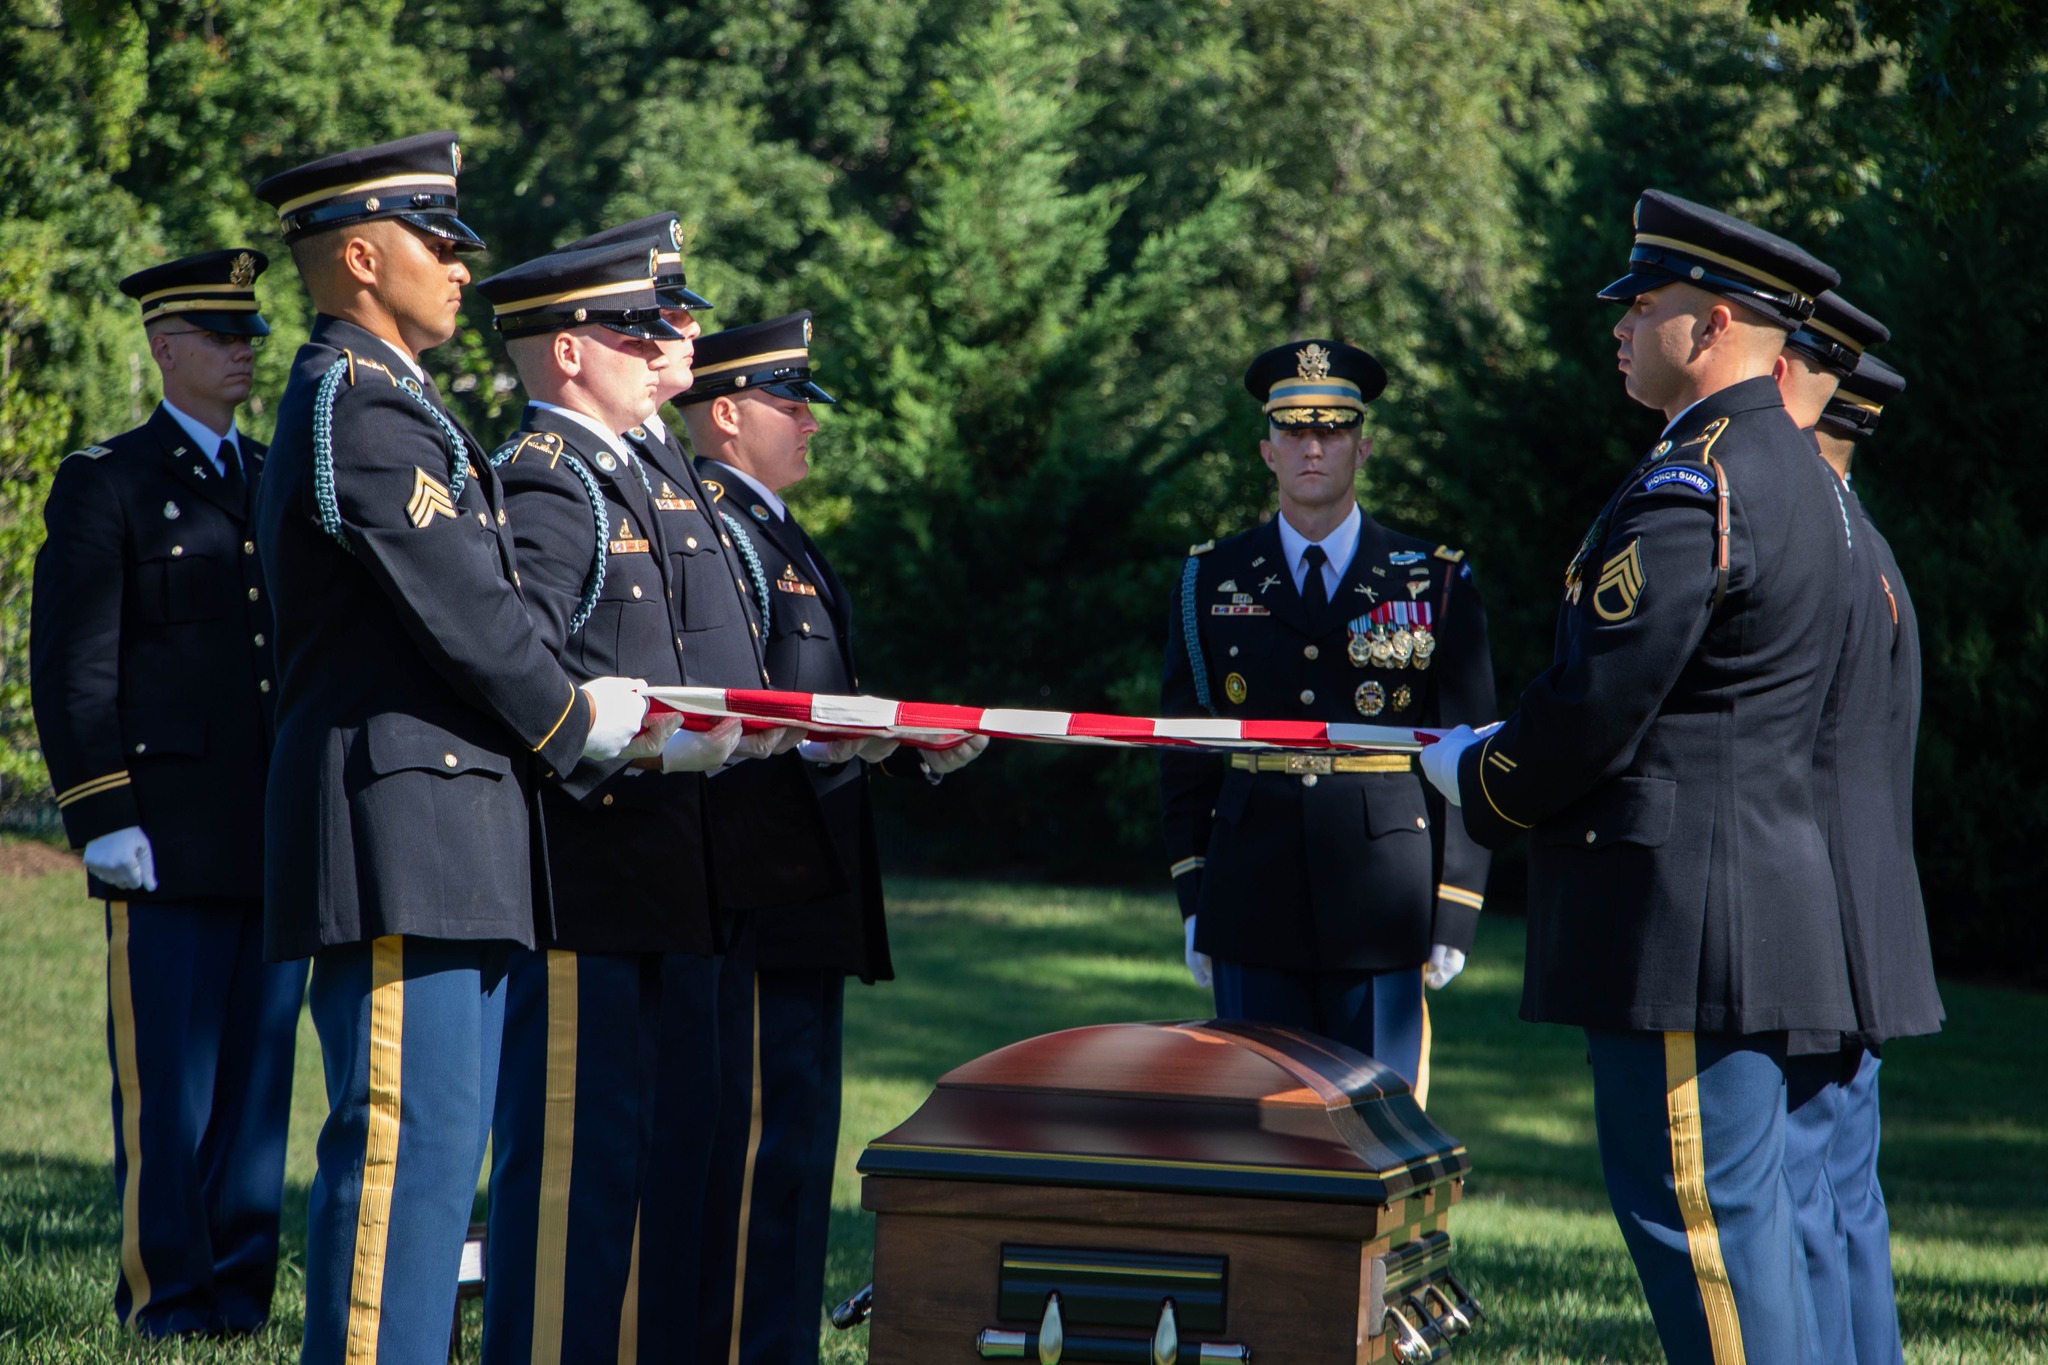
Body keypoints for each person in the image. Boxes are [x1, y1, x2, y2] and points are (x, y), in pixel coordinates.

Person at [1421, 188, 1851, 1364]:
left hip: (1684, 925)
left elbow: (1602, 697)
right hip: (1741, 908)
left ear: (1709, 324)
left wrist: (1480, 777)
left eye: (1640, 304)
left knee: (1701, 1233)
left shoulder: (1695, 479)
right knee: (1748, 1231)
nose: (1617, 325)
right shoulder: (1793, 472)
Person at [251, 133, 648, 1365]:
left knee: (438, 1152)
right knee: (402, 1154)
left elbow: (486, 606)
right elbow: (468, 613)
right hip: (398, 822)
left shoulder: (402, 402)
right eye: (439, 242)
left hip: (453, 823)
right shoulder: (352, 400)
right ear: (361, 258)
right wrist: (582, 725)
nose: (462, 267)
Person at [472, 236, 798, 1364]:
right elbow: (529, 673)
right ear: (567, 351)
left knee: (665, 1161)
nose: (659, 344)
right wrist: (661, 745)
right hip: (591, 883)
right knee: (581, 1166)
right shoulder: (545, 479)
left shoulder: (632, 474)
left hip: (671, 878)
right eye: (631, 330)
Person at [677, 311, 987, 1365]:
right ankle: (744, 1345)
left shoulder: (772, 528)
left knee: (795, 1146)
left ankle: (773, 1342)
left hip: (806, 886)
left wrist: (904, 748)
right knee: (758, 1144)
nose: (810, 421)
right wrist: (859, 740)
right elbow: (753, 714)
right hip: (760, 881)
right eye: (787, 402)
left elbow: (820, 704)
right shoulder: (713, 526)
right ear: (725, 413)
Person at [28, 248, 307, 1337]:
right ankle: (167, 1297)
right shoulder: (110, 479)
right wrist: (101, 813)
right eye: (222, 336)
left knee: (255, 1084)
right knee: (169, 1089)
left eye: (251, 336)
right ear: (165, 346)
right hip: (164, 830)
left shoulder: (275, 474)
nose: (243, 353)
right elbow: (75, 664)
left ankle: (240, 1290)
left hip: (267, 829)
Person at [1157, 338, 1496, 1101]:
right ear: (1267, 450)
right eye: (1294, 430)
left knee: (1378, 1120)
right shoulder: (1211, 576)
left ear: (1363, 447)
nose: (1314, 446)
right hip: (1249, 888)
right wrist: (1194, 893)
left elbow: (1471, 752)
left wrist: (1457, 905)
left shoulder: (1434, 578)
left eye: (1333, 429)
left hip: (1383, 892)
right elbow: (1185, 749)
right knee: (1258, 1120)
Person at [1784, 347, 1939, 1365]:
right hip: (1866, 924)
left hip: (1815, 926)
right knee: (1843, 1197)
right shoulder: (1871, 557)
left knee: (1801, 1199)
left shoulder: (1825, 565)